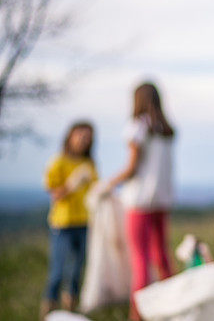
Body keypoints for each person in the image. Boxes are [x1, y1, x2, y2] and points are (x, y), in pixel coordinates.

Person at [107, 82, 176, 320]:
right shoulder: (165, 130)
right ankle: (173, 306)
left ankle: (137, 314)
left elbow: (132, 167)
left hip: (139, 201)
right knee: (162, 256)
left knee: (141, 260)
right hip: (162, 200)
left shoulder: (137, 127)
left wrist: (109, 183)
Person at [41, 121, 98, 319]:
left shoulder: (89, 164)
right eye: (80, 135)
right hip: (63, 224)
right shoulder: (58, 162)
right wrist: (72, 184)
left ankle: (70, 312)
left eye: (87, 137)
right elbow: (54, 193)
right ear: (70, 136)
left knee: (76, 271)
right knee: (57, 270)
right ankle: (48, 310)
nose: (83, 140)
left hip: (85, 223)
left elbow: (96, 191)